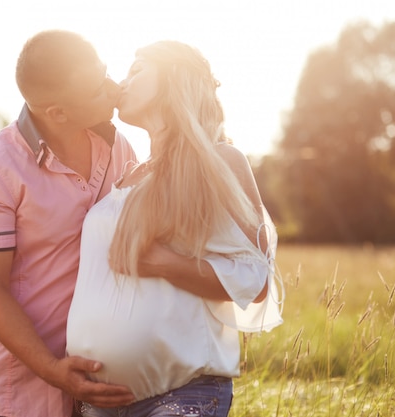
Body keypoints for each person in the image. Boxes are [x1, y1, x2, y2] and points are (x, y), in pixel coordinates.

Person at [66, 40, 284, 417]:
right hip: (96, 401)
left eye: (137, 70)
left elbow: (256, 279)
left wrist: (160, 262)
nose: (122, 81)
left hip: (181, 395)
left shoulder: (218, 159)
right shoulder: (126, 175)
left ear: (175, 77)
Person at [0, 30, 138, 417]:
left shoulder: (120, 149)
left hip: (103, 396)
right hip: (15, 400)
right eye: (96, 88)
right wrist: (53, 371)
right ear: (57, 113)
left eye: (105, 73)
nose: (113, 87)